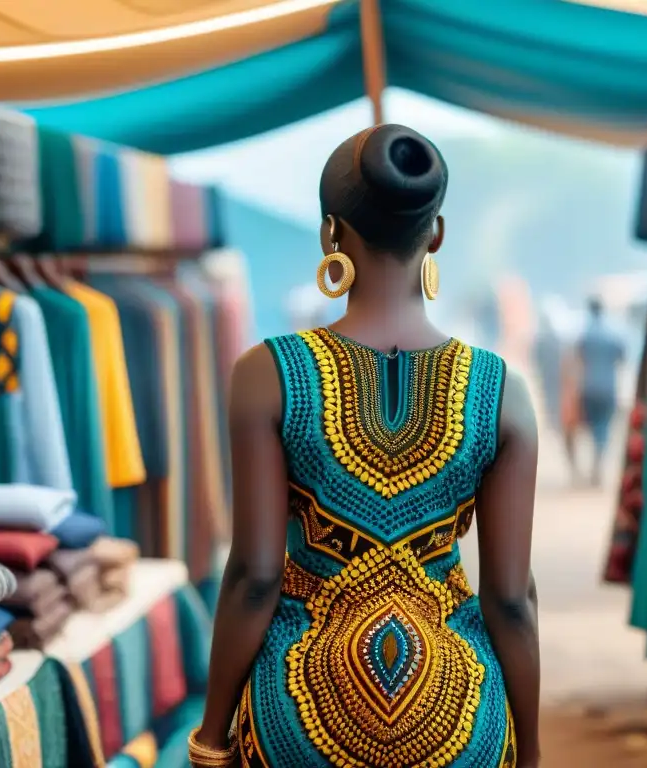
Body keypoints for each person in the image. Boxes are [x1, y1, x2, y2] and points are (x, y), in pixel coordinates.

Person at [190, 124, 541, 768]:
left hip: (297, 717)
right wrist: (530, 749)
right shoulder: (502, 393)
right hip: (458, 722)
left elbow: (254, 578)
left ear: (330, 232)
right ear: (435, 233)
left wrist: (211, 738)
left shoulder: (267, 374)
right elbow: (511, 601)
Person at [576, 296, 625, 487]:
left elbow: (578, 357)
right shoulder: (613, 333)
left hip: (588, 387)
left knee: (593, 425)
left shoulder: (585, 334)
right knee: (604, 425)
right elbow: (622, 358)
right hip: (608, 388)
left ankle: (596, 461)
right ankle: (599, 461)